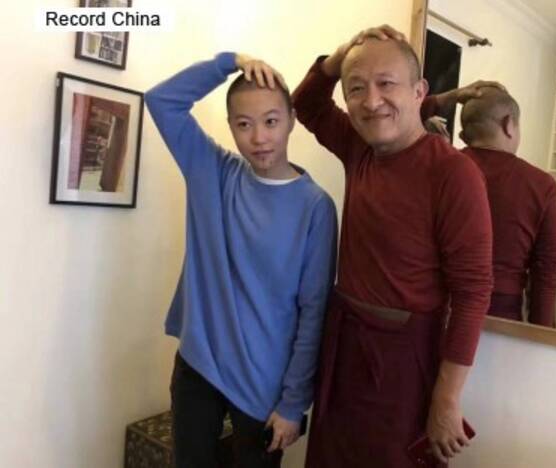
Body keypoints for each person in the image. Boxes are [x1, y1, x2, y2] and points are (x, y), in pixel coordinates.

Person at [292, 26, 493, 467]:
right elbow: (306, 103)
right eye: (356, 88)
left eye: (386, 83)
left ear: (420, 92)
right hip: (343, 347)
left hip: (404, 363)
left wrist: (446, 400)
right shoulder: (359, 147)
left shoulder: (454, 173)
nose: (371, 101)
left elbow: (473, 292)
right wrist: (342, 55)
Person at [145, 52, 338, 468]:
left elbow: (314, 311)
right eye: (244, 124)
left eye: (271, 121)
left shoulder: (315, 207)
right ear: (231, 126)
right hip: (199, 366)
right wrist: (229, 62)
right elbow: (161, 101)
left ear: (291, 120)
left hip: (263, 383)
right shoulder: (213, 171)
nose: (259, 137)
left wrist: (293, 403)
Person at [422, 86, 556, 327]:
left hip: (431, 306)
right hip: (500, 314)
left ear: (464, 135)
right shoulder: (542, 186)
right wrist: (541, 337)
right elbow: (546, 274)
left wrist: (446, 98)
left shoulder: (437, 170)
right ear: (509, 124)